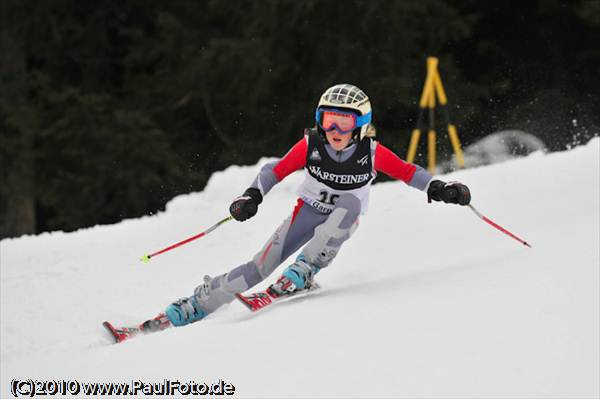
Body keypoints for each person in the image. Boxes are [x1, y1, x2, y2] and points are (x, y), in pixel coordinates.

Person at [142, 84, 471, 331]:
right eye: (329, 121)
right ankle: (192, 307)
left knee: (348, 203)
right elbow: (275, 170)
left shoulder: (371, 152)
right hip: (308, 211)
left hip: (345, 218)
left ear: (361, 124)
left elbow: (408, 171)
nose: (335, 131)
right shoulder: (311, 145)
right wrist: (251, 196)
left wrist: (438, 187)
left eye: (344, 123)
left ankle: (304, 270)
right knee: (259, 267)